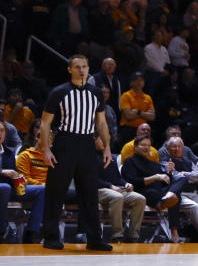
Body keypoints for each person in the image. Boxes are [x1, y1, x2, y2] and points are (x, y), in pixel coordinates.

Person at [38, 54, 113, 251]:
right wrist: (46, 149)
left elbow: (102, 122)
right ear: (69, 69)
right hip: (65, 143)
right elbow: (45, 123)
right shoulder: (59, 92)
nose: (81, 70)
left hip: (87, 144)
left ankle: (94, 239)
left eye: (85, 67)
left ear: (89, 69)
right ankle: (51, 237)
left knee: (90, 193)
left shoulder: (96, 93)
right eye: (77, 67)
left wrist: (107, 147)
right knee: (56, 191)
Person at [121, 134, 185, 243]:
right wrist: (155, 177)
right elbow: (133, 182)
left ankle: (166, 199)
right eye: (143, 145)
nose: (146, 148)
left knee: (181, 179)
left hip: (162, 192)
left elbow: (165, 181)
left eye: (148, 145)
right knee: (156, 192)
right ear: (135, 147)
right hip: (143, 192)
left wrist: (169, 173)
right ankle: (163, 202)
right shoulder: (129, 162)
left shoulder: (154, 164)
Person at [95, 136, 145, 243]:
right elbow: (90, 179)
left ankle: (133, 236)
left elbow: (118, 178)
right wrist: (110, 186)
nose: (105, 141)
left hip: (115, 189)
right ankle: (117, 235)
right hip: (97, 190)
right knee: (117, 197)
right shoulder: (88, 156)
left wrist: (126, 183)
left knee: (140, 199)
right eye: (101, 138)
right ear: (94, 140)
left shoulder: (110, 157)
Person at [0, 123, 44, 243]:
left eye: (2, 131)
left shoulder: (8, 153)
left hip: (10, 189)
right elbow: (7, 174)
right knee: (4, 187)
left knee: (42, 189)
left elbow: (13, 176)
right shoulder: (23, 153)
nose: (0, 134)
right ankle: (2, 231)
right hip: (4, 189)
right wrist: (3, 172)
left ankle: (31, 232)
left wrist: (20, 180)